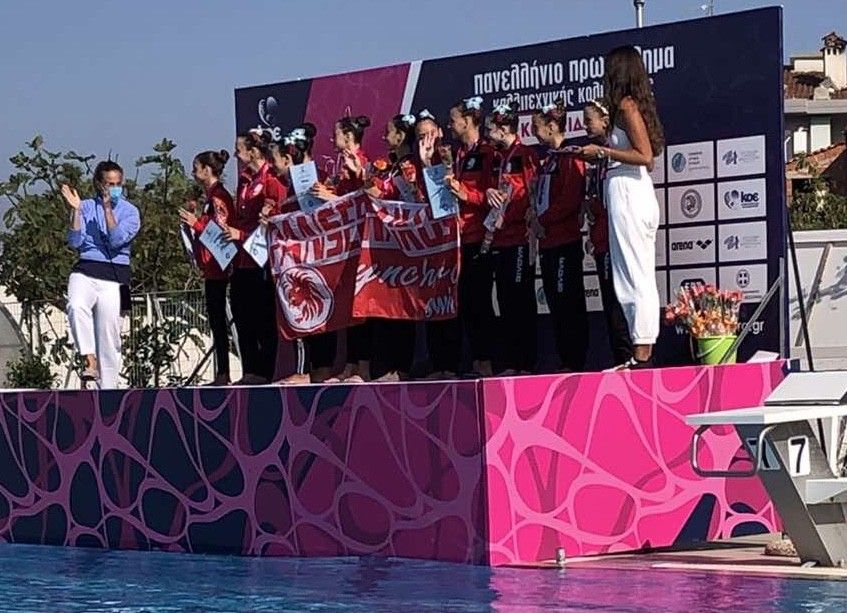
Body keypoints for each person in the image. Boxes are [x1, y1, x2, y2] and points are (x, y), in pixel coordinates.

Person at [579, 46, 665, 370]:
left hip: (630, 192)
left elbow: (646, 157)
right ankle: (640, 349)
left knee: (635, 275)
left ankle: (642, 353)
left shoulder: (627, 106)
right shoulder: (628, 107)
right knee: (629, 275)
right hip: (627, 191)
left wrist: (603, 152)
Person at [429, 96, 497, 378]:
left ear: (468, 121)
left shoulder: (488, 152)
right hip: (456, 240)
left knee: (480, 303)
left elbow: (497, 197)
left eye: (453, 120)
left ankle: (486, 362)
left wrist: (466, 194)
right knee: (463, 305)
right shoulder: (456, 156)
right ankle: (468, 363)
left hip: (480, 238)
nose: (449, 125)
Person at [266, 124, 339, 384]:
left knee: (323, 310)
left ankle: (322, 368)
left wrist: (326, 196)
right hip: (297, 261)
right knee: (300, 310)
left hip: (321, 257)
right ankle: (307, 368)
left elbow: (338, 209)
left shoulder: (322, 178)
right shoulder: (288, 186)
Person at [62, 161, 140, 388]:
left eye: (118, 184)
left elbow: (117, 240)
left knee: (108, 336)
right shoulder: (86, 206)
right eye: (109, 184)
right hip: (87, 268)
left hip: (115, 276)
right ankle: (89, 358)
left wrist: (107, 210)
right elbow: (75, 241)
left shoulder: (130, 212)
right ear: (99, 184)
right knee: (76, 305)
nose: (114, 189)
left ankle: (108, 390)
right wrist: (76, 210)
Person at [312, 115, 372, 383]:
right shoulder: (341, 165)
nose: (331, 139)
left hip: (362, 242)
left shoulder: (364, 163)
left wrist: (331, 197)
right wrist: (326, 192)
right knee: (347, 305)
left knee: (361, 305)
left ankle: (363, 365)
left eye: (336, 134)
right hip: (344, 244)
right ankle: (350, 363)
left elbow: (364, 199)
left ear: (348, 137)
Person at [531, 100, 588, 372]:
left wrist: (542, 220)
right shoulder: (550, 159)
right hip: (547, 242)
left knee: (568, 303)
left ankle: (575, 362)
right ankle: (565, 360)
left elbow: (570, 200)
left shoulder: (570, 156)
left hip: (565, 241)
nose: (533, 132)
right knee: (555, 302)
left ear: (552, 126)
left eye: (537, 127)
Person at [485, 102, 539, 375]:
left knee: (521, 300)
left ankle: (526, 363)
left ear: (504, 128)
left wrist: (516, 214)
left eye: (491, 128)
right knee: (505, 300)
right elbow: (490, 189)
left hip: (520, 238)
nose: (487, 133)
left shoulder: (526, 155)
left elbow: (534, 195)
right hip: (499, 238)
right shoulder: (497, 157)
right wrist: (488, 193)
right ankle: (511, 362)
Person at [229, 130, 286, 384]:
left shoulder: (270, 177)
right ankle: (249, 370)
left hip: (263, 257)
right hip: (242, 257)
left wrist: (241, 234)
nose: (236, 155)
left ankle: (264, 372)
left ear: (252, 152)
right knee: (243, 315)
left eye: (239, 150)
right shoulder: (244, 180)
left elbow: (273, 218)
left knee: (263, 317)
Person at [582, 99, 633, 366]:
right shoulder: (598, 160)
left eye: (588, 120)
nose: (584, 126)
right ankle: (620, 359)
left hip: (619, 239)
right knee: (610, 305)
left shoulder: (617, 153)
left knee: (620, 303)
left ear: (605, 121)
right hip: (602, 240)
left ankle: (631, 358)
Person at [179, 149, 236, 386]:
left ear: (207, 169)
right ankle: (221, 372)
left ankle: (224, 373)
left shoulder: (218, 197)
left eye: (196, 168)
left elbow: (221, 232)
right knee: (215, 321)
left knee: (220, 321)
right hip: (210, 267)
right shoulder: (210, 198)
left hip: (219, 266)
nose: (193, 173)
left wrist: (197, 224)